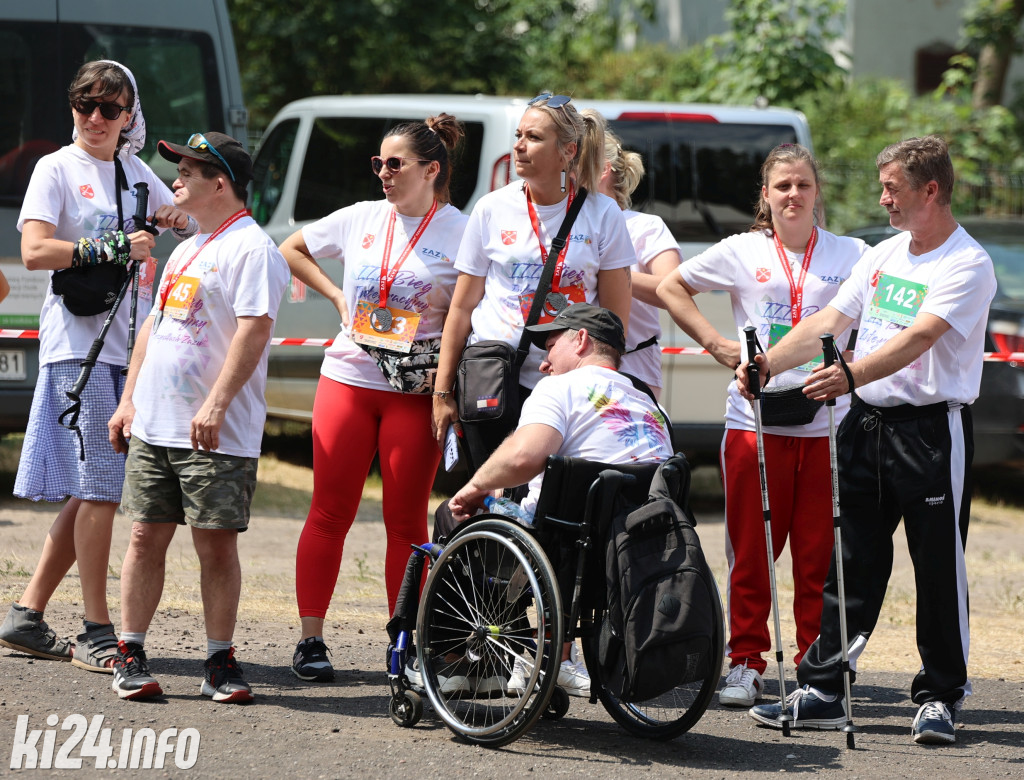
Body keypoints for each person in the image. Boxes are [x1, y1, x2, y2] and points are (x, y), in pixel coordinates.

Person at [739, 136, 995, 745]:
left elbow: (921, 337)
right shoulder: (884, 255)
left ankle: (940, 695)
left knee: (936, 567)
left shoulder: (967, 262)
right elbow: (830, 321)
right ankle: (824, 687)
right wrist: (769, 363)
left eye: (892, 189)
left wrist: (852, 374)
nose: (882, 199)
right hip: (867, 426)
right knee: (849, 561)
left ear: (930, 190)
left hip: (931, 429)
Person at [657, 144, 867, 708]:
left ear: (817, 191)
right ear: (766, 196)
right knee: (752, 550)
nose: (793, 195)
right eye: (782, 187)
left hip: (828, 422)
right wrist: (720, 345)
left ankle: (814, 666)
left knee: (819, 553)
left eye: (802, 184)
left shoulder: (853, 253)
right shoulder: (741, 250)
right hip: (755, 420)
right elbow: (670, 286)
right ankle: (745, 661)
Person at [0, 60, 192, 674]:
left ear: (130, 115)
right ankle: (96, 628)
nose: (97, 118)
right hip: (76, 349)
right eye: (86, 104)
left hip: (128, 350)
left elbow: (185, 217)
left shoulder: (137, 173)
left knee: (92, 493)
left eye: (111, 108)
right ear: (73, 107)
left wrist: (182, 219)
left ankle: (27, 615)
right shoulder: (55, 168)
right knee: (101, 494)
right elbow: (32, 251)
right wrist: (104, 246)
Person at [279, 115, 468, 683]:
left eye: (395, 164)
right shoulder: (361, 217)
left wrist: (445, 390)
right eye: (377, 163)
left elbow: (469, 312)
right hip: (348, 379)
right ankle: (311, 641)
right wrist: (338, 297)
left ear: (431, 170)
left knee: (405, 523)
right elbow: (292, 247)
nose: (383, 174)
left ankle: (405, 643)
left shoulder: (460, 228)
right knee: (328, 511)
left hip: (414, 393)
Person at [106, 131, 289, 702]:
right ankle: (131, 652)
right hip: (156, 422)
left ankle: (219, 660)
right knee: (143, 536)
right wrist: (129, 400)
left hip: (214, 429)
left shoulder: (253, 249)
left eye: (189, 168)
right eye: (178, 166)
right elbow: (153, 332)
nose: (177, 177)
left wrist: (215, 403)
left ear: (220, 183)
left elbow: (255, 331)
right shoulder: (185, 248)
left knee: (215, 544)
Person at [426, 303, 673, 697]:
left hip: (561, 551)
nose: (543, 364)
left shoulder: (561, 388)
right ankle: (536, 655)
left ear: (581, 340)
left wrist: (473, 488)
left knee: (451, 516)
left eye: (551, 346)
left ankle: (476, 662)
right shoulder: (647, 400)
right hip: (637, 552)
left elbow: (524, 457)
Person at [431, 93, 636, 472]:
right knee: (488, 497)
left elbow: (612, 323)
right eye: (518, 134)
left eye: (534, 138)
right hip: (492, 381)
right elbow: (461, 306)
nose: (518, 147)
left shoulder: (603, 213)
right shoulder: (491, 208)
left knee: (549, 505)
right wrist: (443, 391)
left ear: (567, 151)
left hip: (567, 388)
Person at [593, 120, 681, 397]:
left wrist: (609, 271)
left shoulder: (646, 226)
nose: (565, 173)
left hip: (633, 367)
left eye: (574, 164)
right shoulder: (565, 228)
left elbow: (672, 290)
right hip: (574, 368)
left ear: (603, 170)